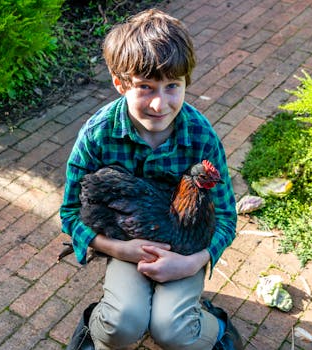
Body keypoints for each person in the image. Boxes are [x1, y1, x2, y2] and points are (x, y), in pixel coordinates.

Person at [60, 8, 240, 350]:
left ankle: (215, 327)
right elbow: (69, 213)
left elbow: (227, 216)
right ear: (120, 83)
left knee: (172, 331)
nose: (160, 103)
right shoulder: (98, 135)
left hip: (186, 247)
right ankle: (96, 325)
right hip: (129, 247)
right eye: (145, 87)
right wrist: (119, 249)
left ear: (186, 82)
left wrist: (192, 262)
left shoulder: (201, 136)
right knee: (119, 327)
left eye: (172, 86)